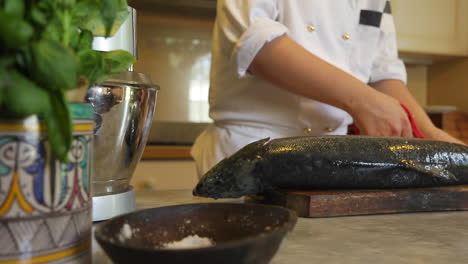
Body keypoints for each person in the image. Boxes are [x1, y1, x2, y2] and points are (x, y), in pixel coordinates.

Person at [191, 0, 465, 177]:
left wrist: (433, 136)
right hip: (249, 154)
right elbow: (257, 47)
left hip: (332, 160)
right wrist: (364, 101)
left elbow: (382, 73)